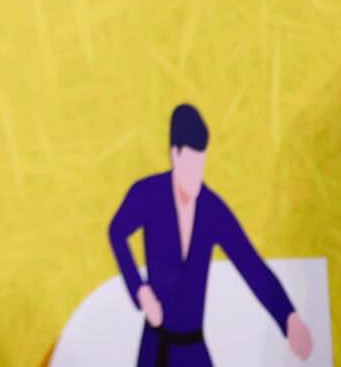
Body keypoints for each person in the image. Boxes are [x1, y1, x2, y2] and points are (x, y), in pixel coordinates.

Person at [108, 104, 313, 365]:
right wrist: (140, 290)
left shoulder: (211, 209)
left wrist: (288, 317)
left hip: (192, 348)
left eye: (200, 165)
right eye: (190, 165)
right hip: (155, 347)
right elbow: (117, 231)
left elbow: (250, 264)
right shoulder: (148, 193)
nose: (196, 177)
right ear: (175, 154)